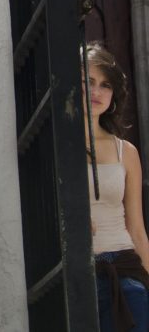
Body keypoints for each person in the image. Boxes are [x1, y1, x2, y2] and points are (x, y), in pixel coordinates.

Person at [88, 44, 149, 331]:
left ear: (113, 96)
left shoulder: (127, 151)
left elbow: (136, 227)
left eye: (105, 85)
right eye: (87, 81)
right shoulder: (54, 148)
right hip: (78, 273)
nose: (96, 92)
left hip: (125, 269)